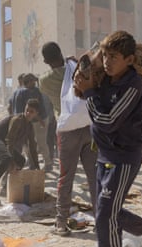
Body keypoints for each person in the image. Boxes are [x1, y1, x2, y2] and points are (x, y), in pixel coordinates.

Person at [74, 30, 142, 247]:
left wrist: (88, 93)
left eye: (113, 57)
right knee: (104, 210)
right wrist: (85, 81)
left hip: (123, 157)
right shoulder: (104, 78)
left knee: (107, 215)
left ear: (130, 60)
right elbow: (83, 82)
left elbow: (107, 121)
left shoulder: (132, 84)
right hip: (104, 154)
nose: (107, 62)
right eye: (105, 56)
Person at [39, 42, 97, 236]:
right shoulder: (77, 69)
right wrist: (73, 62)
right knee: (94, 176)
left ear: (46, 60)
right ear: (62, 53)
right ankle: (101, 219)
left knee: (65, 178)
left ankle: (61, 223)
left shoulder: (45, 80)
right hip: (89, 128)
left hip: (67, 132)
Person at [0, 98, 40, 205]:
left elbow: (32, 147)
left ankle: (6, 186)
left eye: (32, 111)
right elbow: (10, 140)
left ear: (36, 113)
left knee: (21, 161)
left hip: (2, 142)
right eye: (27, 110)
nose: (28, 113)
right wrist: (11, 159)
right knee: (7, 158)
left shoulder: (29, 126)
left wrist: (37, 166)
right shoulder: (17, 119)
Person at [12, 73, 52, 170]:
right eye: (33, 81)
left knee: (36, 142)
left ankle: (44, 163)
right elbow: (31, 110)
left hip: (36, 120)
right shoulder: (29, 92)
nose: (35, 82)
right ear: (28, 82)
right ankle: (41, 163)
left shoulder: (21, 91)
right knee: (35, 143)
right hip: (34, 120)